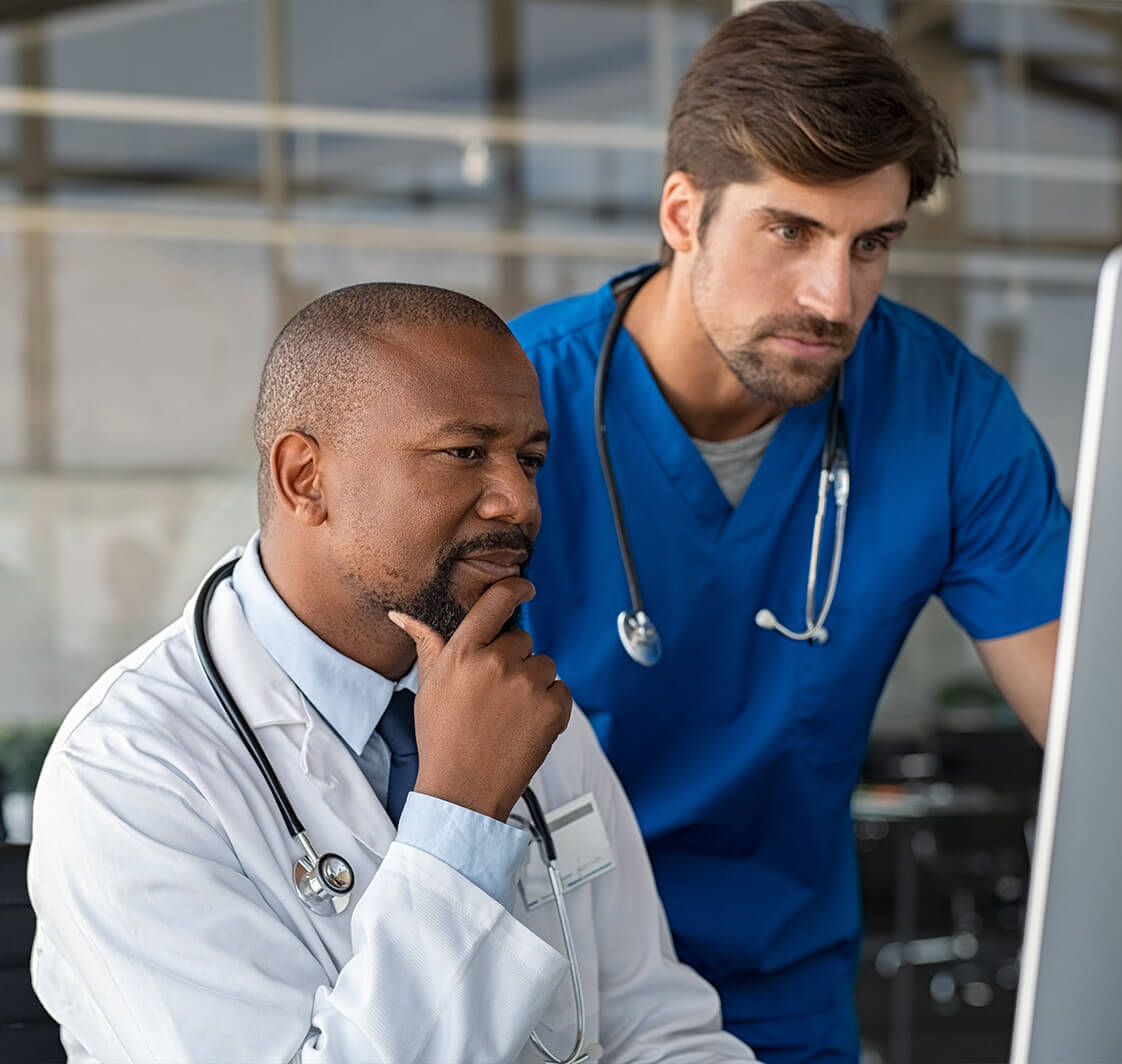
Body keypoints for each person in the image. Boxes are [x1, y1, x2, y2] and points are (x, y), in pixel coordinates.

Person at [508, 3, 1069, 1061]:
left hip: (778, 1008)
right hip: (535, 995)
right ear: (684, 214)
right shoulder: (505, 409)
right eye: (791, 231)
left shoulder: (946, 414)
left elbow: (1095, 728)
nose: (834, 296)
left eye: (873, 245)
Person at [27, 284, 757, 1064]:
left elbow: (659, 1028)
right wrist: (463, 816)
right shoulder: (129, 774)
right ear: (305, 478)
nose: (519, 501)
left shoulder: (525, 706)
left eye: (531, 459)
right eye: (465, 453)